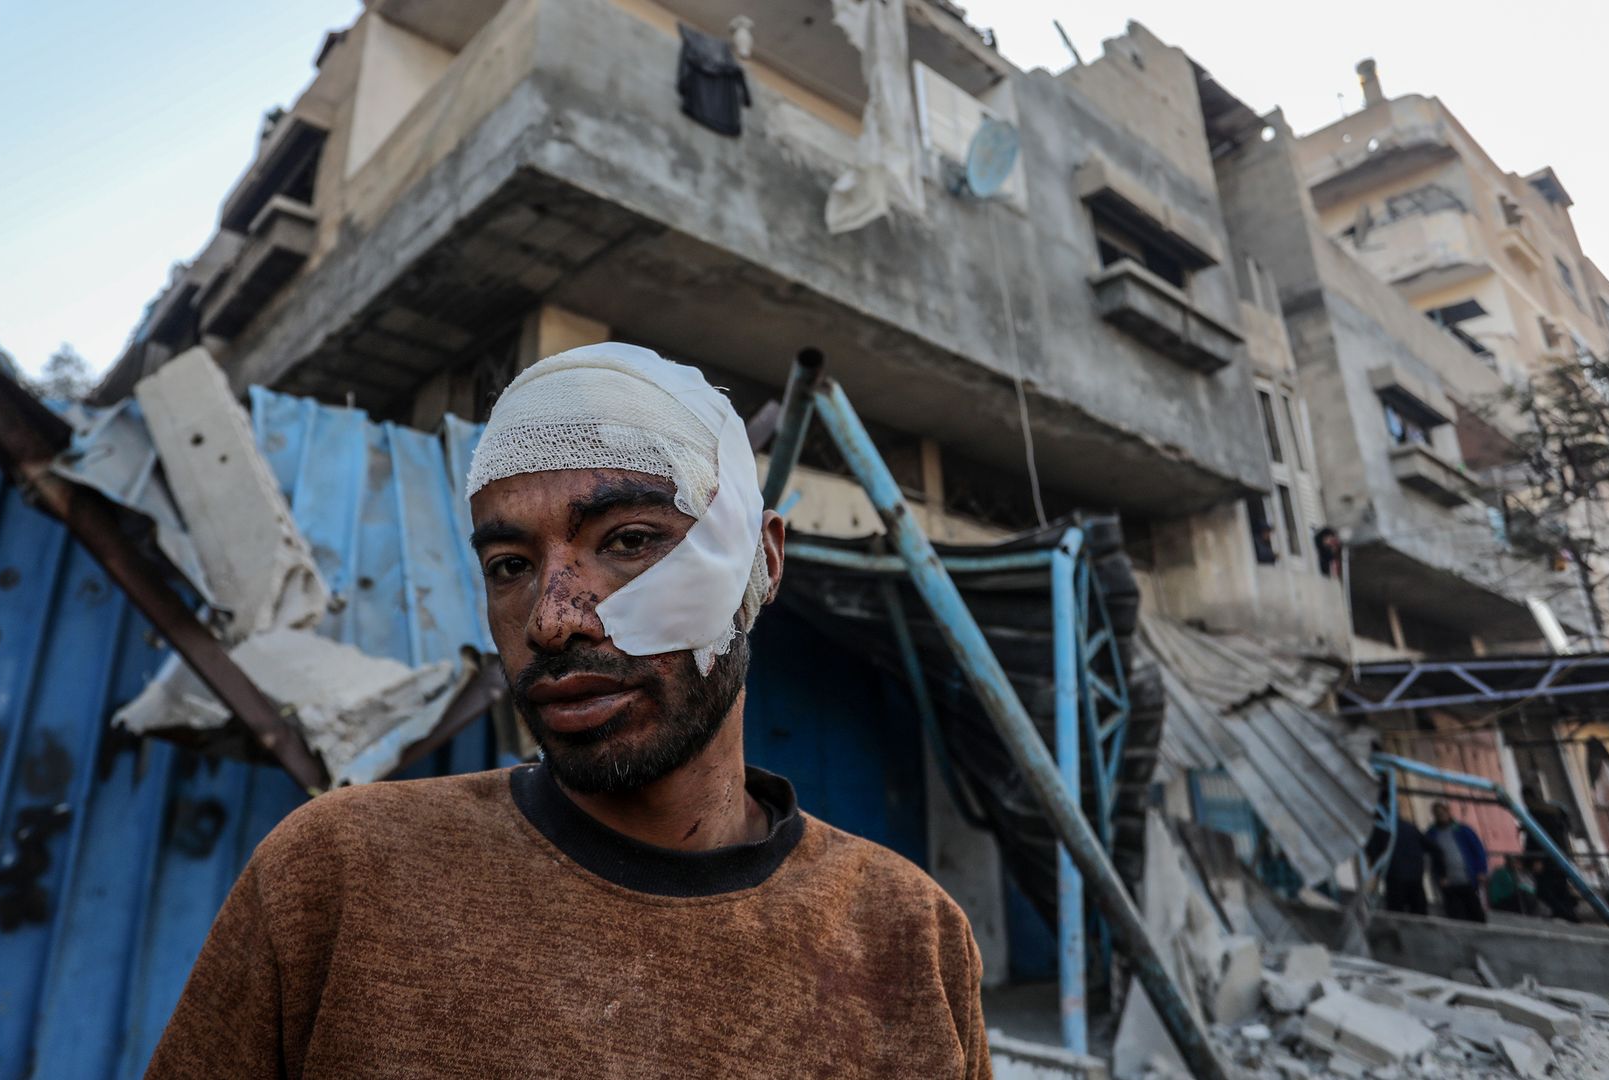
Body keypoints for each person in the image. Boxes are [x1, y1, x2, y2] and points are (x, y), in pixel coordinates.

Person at [146, 344, 994, 1079]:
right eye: (510, 565)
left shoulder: (911, 942)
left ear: (762, 563)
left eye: (629, 541)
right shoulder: (335, 877)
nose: (553, 619)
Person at [1523, 790, 1581, 923]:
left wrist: (1536, 859)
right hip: (1561, 857)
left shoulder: (1536, 814)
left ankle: (1564, 914)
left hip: (1546, 859)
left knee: (1545, 890)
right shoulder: (1555, 812)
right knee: (1560, 887)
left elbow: (1536, 839)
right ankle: (1568, 914)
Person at [1425, 802, 1488, 923]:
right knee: (1456, 914)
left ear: (1448, 812)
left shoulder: (1463, 830)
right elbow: (1431, 858)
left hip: (1467, 879)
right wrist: (1439, 876)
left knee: (1475, 912)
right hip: (1448, 883)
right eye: (1437, 813)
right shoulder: (1431, 834)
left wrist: (1481, 870)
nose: (1440, 815)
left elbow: (1478, 850)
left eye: (1442, 812)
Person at [1365, 814, 1430, 915]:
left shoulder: (1378, 829)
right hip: (1414, 876)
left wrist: (1377, 872)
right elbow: (1430, 846)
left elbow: (1372, 851)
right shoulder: (1409, 827)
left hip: (1394, 877)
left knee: (1396, 911)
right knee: (1418, 911)